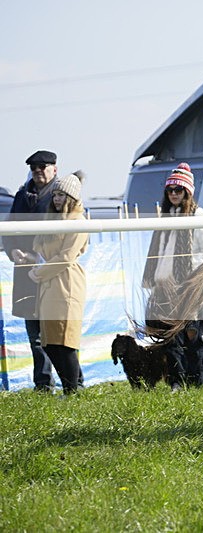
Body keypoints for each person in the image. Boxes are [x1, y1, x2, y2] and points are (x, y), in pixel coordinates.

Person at [142, 163, 203, 391]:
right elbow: (156, 253)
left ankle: (200, 385)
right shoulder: (164, 219)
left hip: (188, 288)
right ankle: (177, 381)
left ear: (188, 192)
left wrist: (189, 280)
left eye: (179, 190)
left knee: (194, 339)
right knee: (170, 340)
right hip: (163, 289)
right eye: (170, 190)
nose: (174, 194)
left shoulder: (200, 217)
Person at [2, 150, 59, 391]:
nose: (38, 170)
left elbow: (67, 238)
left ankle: (73, 382)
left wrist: (39, 255)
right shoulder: (21, 196)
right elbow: (9, 230)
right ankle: (43, 383)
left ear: (54, 168)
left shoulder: (61, 196)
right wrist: (13, 252)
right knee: (34, 333)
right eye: (34, 166)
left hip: (53, 274)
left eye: (43, 166)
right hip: (25, 272)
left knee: (60, 331)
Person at [27, 173, 88, 395]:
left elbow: (66, 257)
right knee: (49, 341)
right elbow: (38, 245)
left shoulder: (79, 222)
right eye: (55, 195)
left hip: (67, 283)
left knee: (65, 340)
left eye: (62, 195)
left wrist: (39, 272)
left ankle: (72, 391)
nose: (57, 199)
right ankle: (70, 388)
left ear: (71, 197)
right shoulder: (51, 219)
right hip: (48, 284)